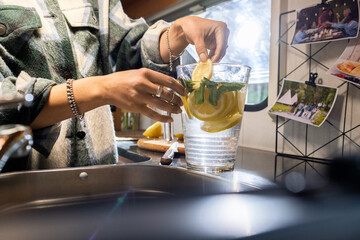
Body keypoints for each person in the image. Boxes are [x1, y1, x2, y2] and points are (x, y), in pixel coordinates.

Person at [0, 1, 230, 169]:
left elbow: (131, 49)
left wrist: (178, 33)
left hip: (101, 176)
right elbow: (5, 105)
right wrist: (104, 88)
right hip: (20, 186)